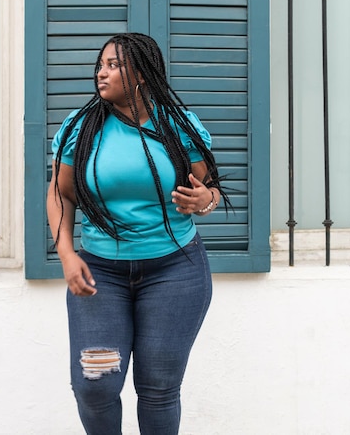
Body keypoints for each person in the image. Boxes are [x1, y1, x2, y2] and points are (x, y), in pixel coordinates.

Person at [47, 32, 230, 435]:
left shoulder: (179, 126)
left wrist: (205, 201)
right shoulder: (81, 128)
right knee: (95, 384)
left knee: (158, 389)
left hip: (175, 273)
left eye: (114, 65)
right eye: (100, 65)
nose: (102, 72)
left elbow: (211, 188)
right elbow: (61, 194)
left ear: (142, 75)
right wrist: (66, 254)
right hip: (100, 277)